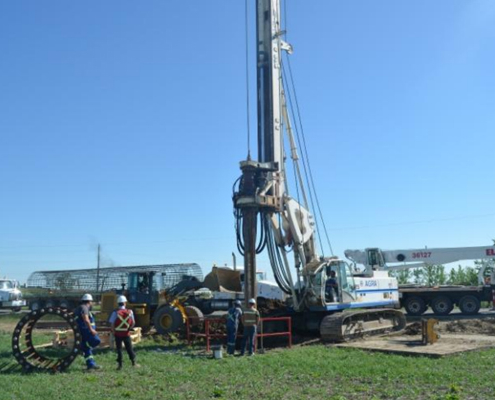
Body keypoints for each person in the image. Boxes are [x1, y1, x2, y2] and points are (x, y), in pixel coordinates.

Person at [108, 295, 139, 370]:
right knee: (129, 348)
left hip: (118, 334)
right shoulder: (130, 312)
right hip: (126, 333)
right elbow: (133, 323)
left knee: (119, 349)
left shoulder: (115, 313)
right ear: (125, 303)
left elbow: (112, 324)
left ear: (118, 303)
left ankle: (120, 365)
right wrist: (129, 328)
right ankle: (134, 363)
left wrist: (114, 332)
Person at [74, 293, 101, 370]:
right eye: (91, 302)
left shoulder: (80, 308)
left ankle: (91, 364)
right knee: (96, 341)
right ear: (89, 301)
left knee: (87, 349)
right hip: (86, 331)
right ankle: (82, 347)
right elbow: (86, 319)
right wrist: (91, 329)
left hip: (83, 331)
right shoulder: (84, 308)